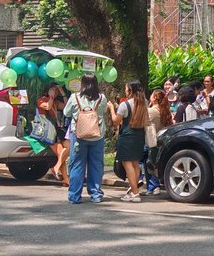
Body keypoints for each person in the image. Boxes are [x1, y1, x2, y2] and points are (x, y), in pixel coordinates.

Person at [63, 73, 108, 204]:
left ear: (82, 84)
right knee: (96, 165)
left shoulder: (74, 97)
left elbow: (66, 113)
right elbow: (104, 111)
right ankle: (95, 194)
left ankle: (74, 196)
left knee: (77, 165)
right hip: (97, 136)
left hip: (78, 136)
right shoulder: (102, 98)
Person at [109, 80, 149, 203]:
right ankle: (133, 190)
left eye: (126, 89)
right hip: (139, 136)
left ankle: (135, 192)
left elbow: (116, 120)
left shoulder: (125, 105)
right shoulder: (144, 103)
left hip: (127, 136)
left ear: (130, 91)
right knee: (136, 164)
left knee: (127, 164)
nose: (125, 91)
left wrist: (111, 109)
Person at [37, 83, 70, 184]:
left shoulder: (56, 102)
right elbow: (47, 107)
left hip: (57, 129)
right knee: (60, 153)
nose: (55, 93)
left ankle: (56, 168)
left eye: (56, 91)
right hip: (47, 130)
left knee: (69, 147)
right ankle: (66, 180)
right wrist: (50, 96)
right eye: (53, 90)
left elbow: (66, 106)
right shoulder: (41, 100)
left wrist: (63, 93)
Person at [145, 88, 173, 193]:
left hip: (150, 139)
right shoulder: (165, 111)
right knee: (154, 162)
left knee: (147, 162)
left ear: (155, 98)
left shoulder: (150, 111)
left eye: (152, 95)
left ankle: (152, 185)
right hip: (161, 139)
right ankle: (154, 185)